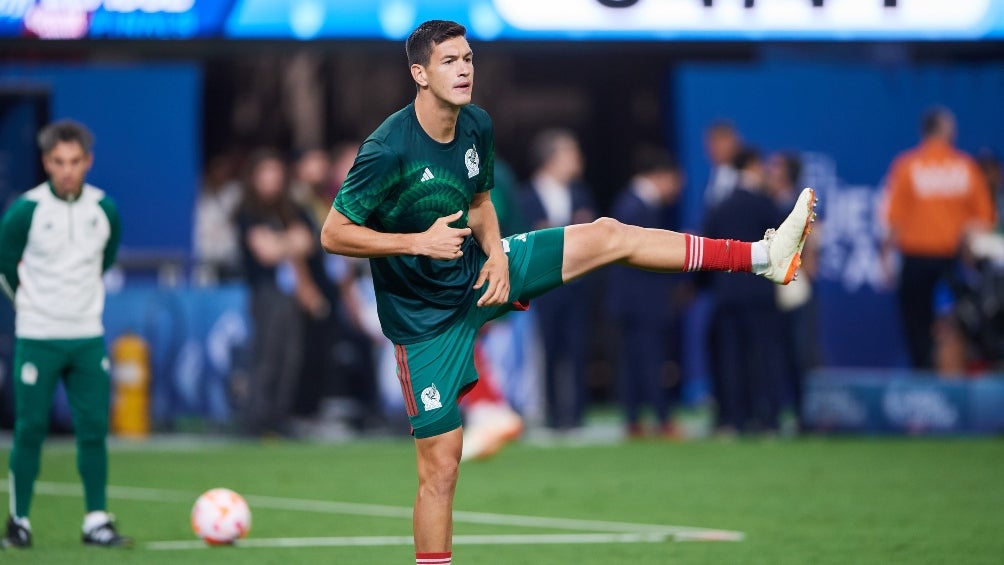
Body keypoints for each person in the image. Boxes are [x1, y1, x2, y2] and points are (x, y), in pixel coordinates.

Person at [320, 20, 816, 563]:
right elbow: (334, 233)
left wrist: (495, 256)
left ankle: (764, 257)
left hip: (478, 274)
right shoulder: (387, 147)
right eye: (449, 61)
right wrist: (418, 241)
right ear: (419, 73)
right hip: (422, 325)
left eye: (468, 58)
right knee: (441, 469)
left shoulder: (476, 125)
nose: (464, 69)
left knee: (609, 235)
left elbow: (482, 202)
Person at [0, 119, 131, 548]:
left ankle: (96, 520)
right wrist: (31, 307)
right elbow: (5, 264)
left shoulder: (103, 209)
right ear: (46, 163)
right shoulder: (27, 210)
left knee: (93, 428)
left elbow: (105, 260)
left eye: (75, 161)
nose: (68, 170)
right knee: (30, 428)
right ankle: (19, 521)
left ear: (88, 162)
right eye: (59, 162)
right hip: (38, 336)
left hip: (87, 336)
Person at [884, 107, 995, 369]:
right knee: (959, 321)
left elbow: (893, 220)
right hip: (951, 260)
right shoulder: (965, 167)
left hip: (916, 259)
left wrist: (885, 258)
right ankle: (950, 378)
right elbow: (985, 219)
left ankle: (924, 374)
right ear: (945, 130)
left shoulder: (908, 165)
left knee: (917, 324)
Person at [235, 149, 318, 437]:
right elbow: (265, 253)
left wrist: (279, 242)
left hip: (290, 292)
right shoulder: (247, 211)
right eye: (265, 173)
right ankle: (256, 418)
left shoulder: (290, 209)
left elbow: (307, 241)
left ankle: (279, 417)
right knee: (267, 355)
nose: (271, 180)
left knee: (290, 356)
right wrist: (288, 242)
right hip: (266, 293)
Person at [704, 148, 787, 434]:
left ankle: (734, 419)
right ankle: (770, 419)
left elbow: (707, 247)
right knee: (765, 357)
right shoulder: (764, 204)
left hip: (727, 295)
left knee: (731, 359)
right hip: (759, 294)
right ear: (752, 165)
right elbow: (784, 244)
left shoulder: (721, 205)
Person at [518, 128, 596, 430]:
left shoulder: (581, 192)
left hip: (576, 285)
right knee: (547, 349)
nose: (577, 159)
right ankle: (551, 412)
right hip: (542, 285)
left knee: (577, 348)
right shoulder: (526, 194)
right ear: (552, 158)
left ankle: (577, 413)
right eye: (571, 152)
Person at [606, 146, 684, 438]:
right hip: (641, 302)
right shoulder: (636, 206)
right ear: (662, 176)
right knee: (649, 360)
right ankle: (660, 419)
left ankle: (635, 419)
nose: (676, 190)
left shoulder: (636, 203)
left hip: (634, 302)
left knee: (636, 361)